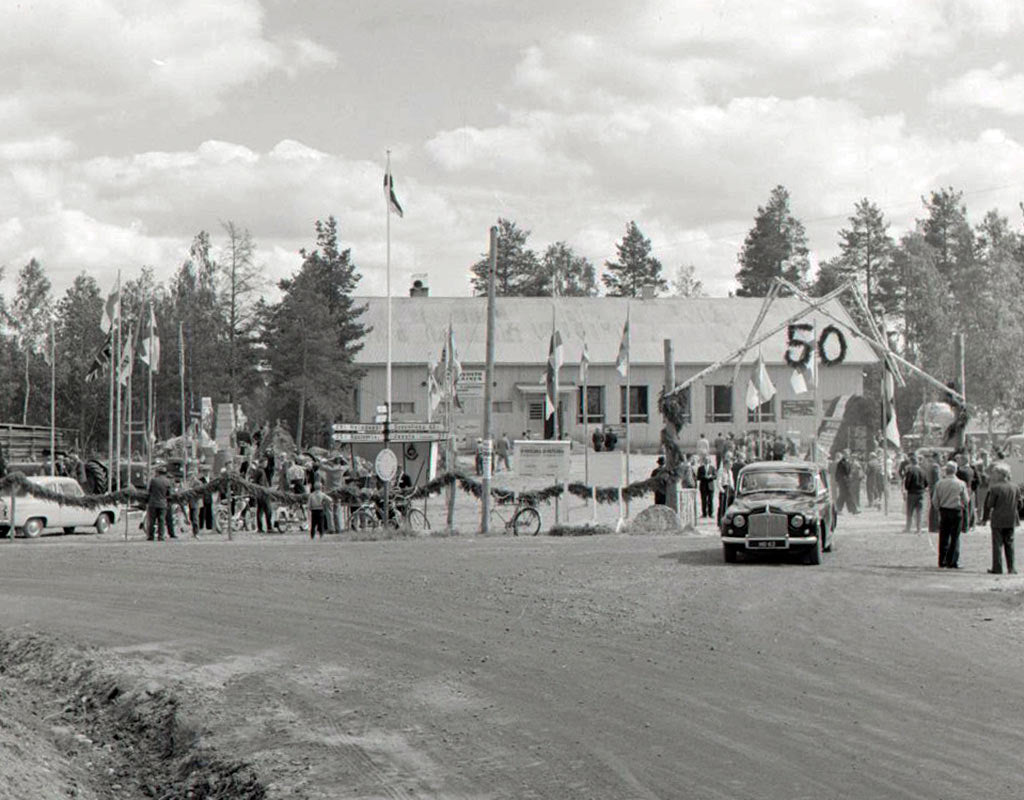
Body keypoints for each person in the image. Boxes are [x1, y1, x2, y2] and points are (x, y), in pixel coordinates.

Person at [982, 465, 1018, 574]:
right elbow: (1019, 503)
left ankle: (997, 568)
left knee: (997, 544)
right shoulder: (1015, 487)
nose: (993, 475)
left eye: (995, 473)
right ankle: (1011, 568)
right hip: (1011, 518)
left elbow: (990, 504)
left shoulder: (995, 488)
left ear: (1001, 474)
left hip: (998, 518)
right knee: (1010, 543)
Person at [933, 461, 969, 569]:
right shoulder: (961, 484)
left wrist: (939, 508)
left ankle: (942, 560)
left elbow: (935, 500)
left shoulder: (939, 483)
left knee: (943, 536)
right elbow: (966, 500)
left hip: (944, 510)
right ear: (956, 470)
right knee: (955, 537)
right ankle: (952, 561)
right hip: (956, 510)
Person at [145, 465, 172, 541]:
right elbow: (169, 494)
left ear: (158, 473)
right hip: (163, 503)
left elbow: (150, 491)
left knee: (152, 520)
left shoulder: (153, 480)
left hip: (153, 503)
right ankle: (161, 536)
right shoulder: (167, 481)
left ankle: (151, 536)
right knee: (161, 520)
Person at [902, 453, 928, 533]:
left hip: (912, 493)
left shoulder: (910, 471)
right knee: (919, 512)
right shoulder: (923, 471)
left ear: (911, 462)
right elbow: (926, 483)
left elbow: (907, 482)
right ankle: (918, 529)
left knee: (910, 511)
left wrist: (907, 488)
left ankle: (908, 528)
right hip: (921, 493)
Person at [715, 456, 735, 527]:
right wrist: (722, 490)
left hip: (729, 489)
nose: (731, 466)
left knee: (729, 505)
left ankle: (728, 521)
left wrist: (733, 489)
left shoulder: (730, 472)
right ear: (726, 464)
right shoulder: (721, 471)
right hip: (724, 488)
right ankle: (720, 522)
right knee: (722, 506)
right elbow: (718, 482)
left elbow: (731, 481)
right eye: (730, 464)